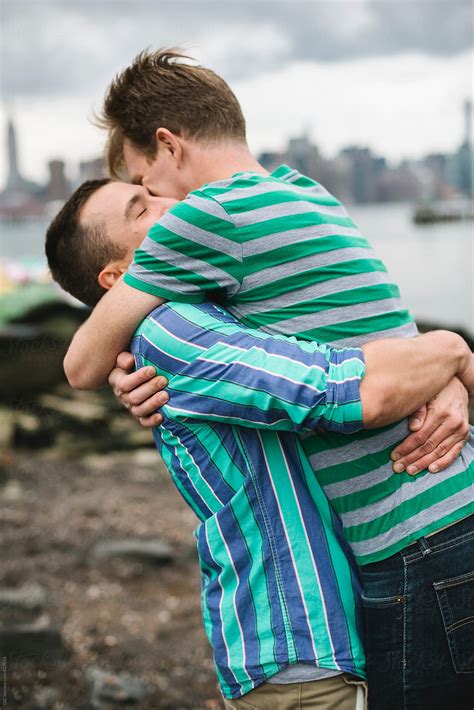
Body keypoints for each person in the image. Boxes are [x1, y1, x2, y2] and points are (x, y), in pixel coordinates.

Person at [46, 177, 474, 709]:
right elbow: (340, 389)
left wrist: (445, 378)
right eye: (142, 209)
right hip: (293, 642)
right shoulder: (172, 328)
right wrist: (453, 350)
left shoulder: (207, 312)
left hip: (314, 632)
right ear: (117, 277)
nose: (173, 203)